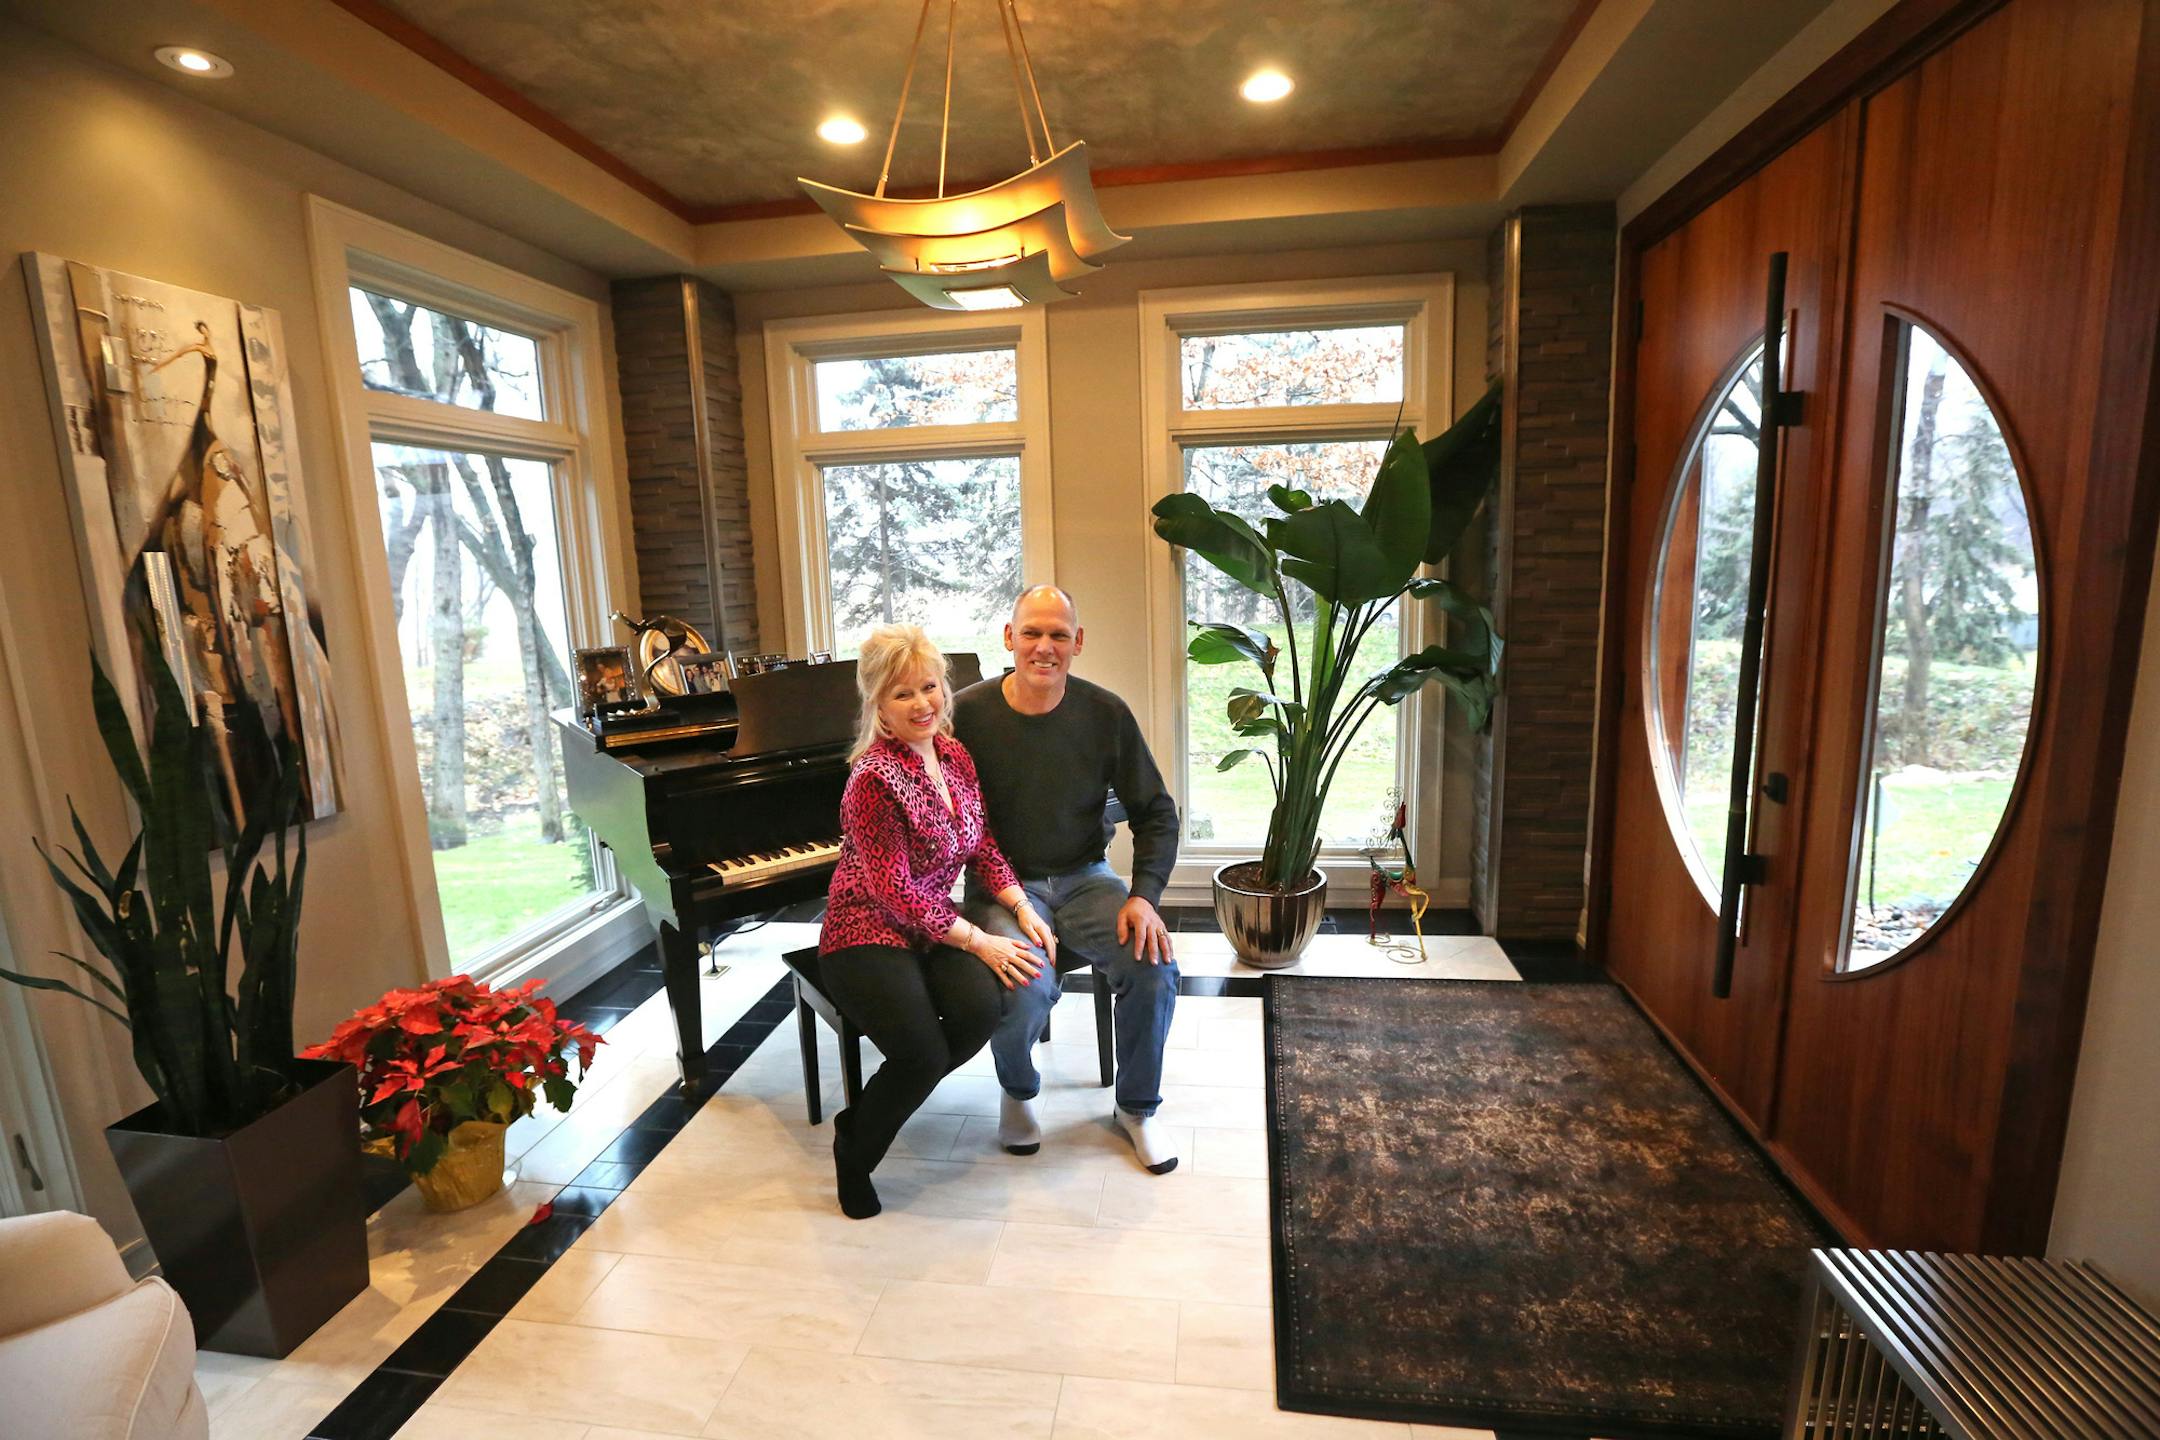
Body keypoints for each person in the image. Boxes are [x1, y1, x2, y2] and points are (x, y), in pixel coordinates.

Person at [817, 624, 1059, 1218]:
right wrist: (980, 941)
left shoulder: (953, 755)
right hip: (864, 930)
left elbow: (981, 845)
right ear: (878, 705)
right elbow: (893, 892)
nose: (923, 703)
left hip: (932, 926)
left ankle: (874, 1108)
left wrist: (1021, 906)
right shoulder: (872, 779)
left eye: (929, 687)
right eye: (904, 694)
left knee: (982, 1009)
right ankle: (856, 1151)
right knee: (922, 1055)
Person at [952, 585, 1183, 1174]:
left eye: (1059, 634)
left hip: (1086, 876)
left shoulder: (1105, 713)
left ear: (1077, 643)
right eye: (1031, 632)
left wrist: (1145, 897)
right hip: (1003, 886)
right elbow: (948, 817)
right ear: (1009, 638)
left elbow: (1156, 812)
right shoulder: (967, 715)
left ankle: (1136, 1108)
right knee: (1021, 987)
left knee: (1153, 963)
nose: (1044, 647)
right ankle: (1019, 1090)